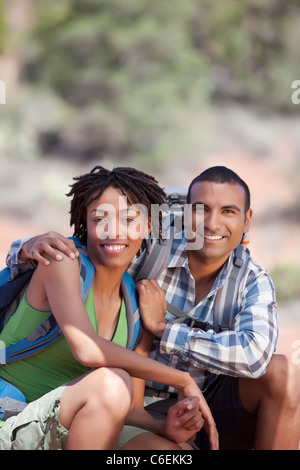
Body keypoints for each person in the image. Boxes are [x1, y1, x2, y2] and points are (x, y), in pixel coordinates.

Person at [6, 166, 300, 450]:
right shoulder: (78, 260)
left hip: (134, 407)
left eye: (228, 211)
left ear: (247, 221)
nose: (211, 224)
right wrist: (25, 246)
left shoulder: (136, 298)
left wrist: (164, 331)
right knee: (113, 382)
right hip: (21, 411)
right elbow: (87, 346)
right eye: (200, 209)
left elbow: (255, 355)